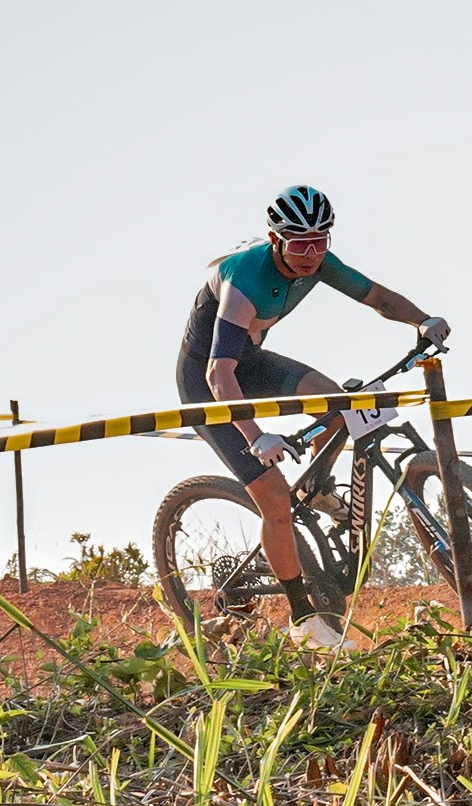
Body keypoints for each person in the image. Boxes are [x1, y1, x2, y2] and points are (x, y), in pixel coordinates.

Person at [176, 185, 448, 649]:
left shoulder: (321, 263)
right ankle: (305, 621)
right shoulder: (244, 278)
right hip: (210, 384)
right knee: (276, 500)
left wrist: (422, 320)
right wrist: (257, 435)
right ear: (275, 238)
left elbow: (378, 297)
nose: (310, 255)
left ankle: (317, 487)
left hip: (251, 361)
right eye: (299, 244)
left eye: (320, 242)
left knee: (339, 403)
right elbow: (219, 373)